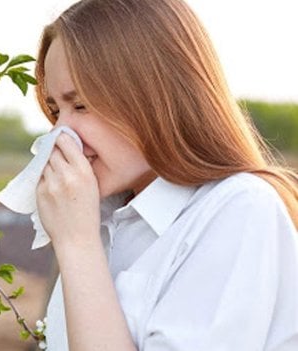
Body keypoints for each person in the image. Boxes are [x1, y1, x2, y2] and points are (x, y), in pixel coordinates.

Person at [32, 0, 298, 350]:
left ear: (155, 94)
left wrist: (77, 245)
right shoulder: (105, 219)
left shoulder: (239, 210)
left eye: (80, 104)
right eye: (55, 110)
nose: (61, 134)